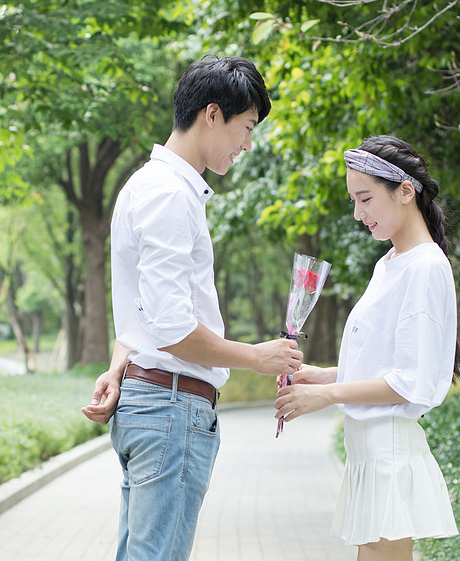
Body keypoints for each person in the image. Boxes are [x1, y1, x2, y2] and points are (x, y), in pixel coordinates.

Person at [80, 56, 303, 561]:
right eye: (246, 128)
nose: (247, 144)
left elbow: (142, 317)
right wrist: (256, 357)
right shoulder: (168, 196)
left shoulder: (145, 186)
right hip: (170, 408)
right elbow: (172, 327)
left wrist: (120, 367)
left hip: (152, 401)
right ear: (211, 114)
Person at [274, 135, 460, 561]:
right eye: (353, 200)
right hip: (368, 451)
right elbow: (382, 363)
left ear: (405, 191)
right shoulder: (390, 263)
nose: (358, 214)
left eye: (364, 198)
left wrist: (325, 395)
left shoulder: (426, 266)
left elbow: (407, 383)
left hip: (388, 453)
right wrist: (321, 376)